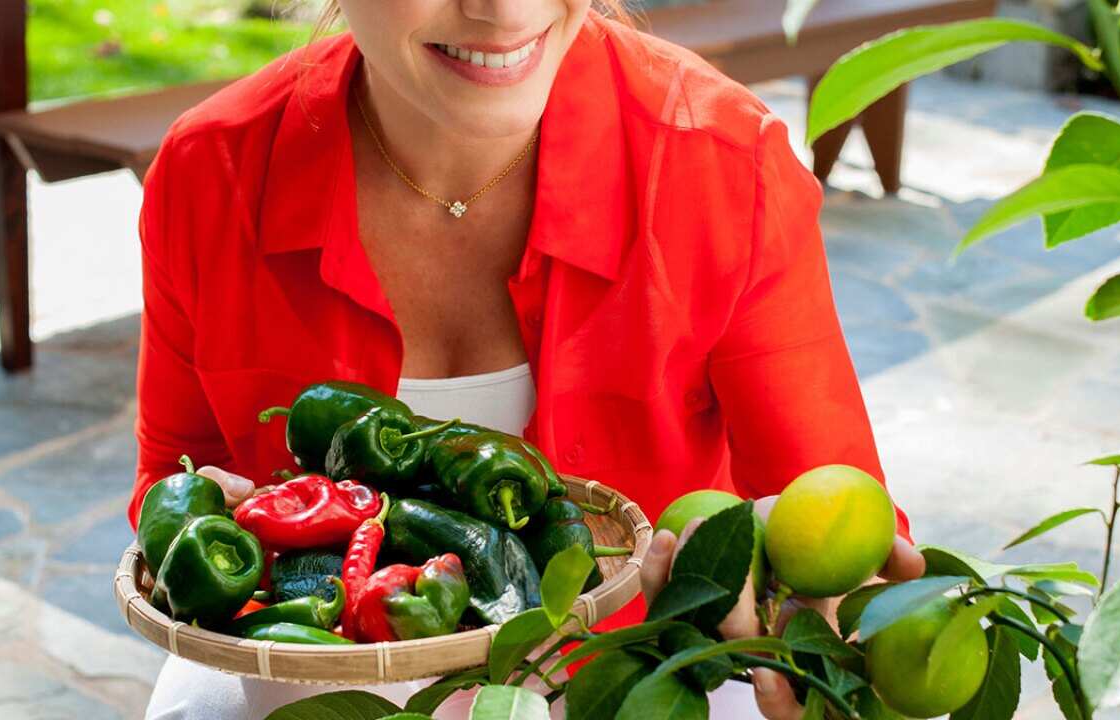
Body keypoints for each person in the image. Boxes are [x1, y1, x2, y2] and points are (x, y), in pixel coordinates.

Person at [129, 1, 925, 717]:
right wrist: (204, 508)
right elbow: (172, 482)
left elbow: (839, 518)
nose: (503, 11)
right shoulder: (212, 172)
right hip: (321, 678)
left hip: (634, 675)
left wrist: (798, 585)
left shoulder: (724, 167)